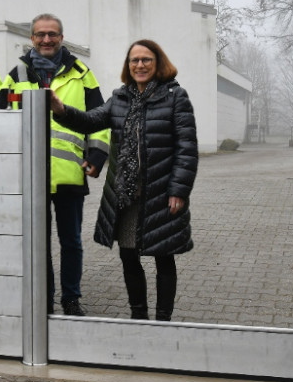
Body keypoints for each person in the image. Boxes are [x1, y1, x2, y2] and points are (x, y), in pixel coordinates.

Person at [49, 39, 197, 321]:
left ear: (158, 63)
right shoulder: (120, 97)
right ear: (128, 66)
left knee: (163, 257)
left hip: (161, 194)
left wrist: (179, 190)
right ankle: (138, 317)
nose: (139, 65)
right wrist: (61, 110)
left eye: (146, 60)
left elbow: (186, 149)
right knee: (129, 256)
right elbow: (91, 120)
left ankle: (163, 319)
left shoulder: (175, 97)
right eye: (134, 61)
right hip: (126, 196)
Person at [0, 14, 110, 316]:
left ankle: (71, 299)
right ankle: (42, 299)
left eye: (52, 34)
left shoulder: (82, 73)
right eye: (40, 34)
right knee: (38, 243)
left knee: (71, 242)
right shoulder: (16, 74)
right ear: (31, 38)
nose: (46, 40)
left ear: (62, 37)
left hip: (69, 174)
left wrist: (97, 154)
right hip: (29, 176)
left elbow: (100, 118)